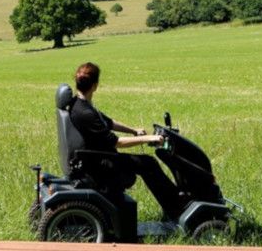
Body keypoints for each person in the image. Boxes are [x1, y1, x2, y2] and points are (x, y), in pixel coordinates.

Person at [69, 62, 181, 219]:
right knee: (148, 163)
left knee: (147, 163)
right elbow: (116, 143)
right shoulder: (86, 113)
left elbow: (108, 122)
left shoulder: (80, 104)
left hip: (97, 158)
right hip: (101, 163)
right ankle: (176, 209)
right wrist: (148, 138)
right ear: (95, 85)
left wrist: (133, 130)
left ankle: (172, 207)